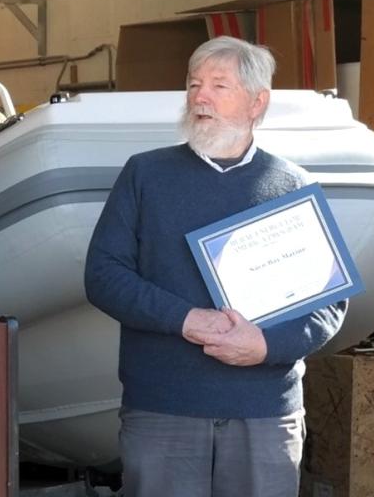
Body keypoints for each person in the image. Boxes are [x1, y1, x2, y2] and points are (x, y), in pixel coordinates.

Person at [84, 35, 346, 497]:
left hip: (265, 413)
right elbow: (104, 276)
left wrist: (264, 346)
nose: (200, 96)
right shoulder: (145, 175)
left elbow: (328, 304)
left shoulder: (293, 186)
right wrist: (185, 319)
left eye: (219, 85)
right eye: (193, 84)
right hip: (164, 410)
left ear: (257, 102)